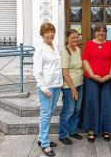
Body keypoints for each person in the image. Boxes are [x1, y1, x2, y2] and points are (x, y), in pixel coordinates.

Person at [82, 23, 111, 143]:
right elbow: (85, 60)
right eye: (98, 31)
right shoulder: (89, 44)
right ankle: (92, 129)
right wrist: (92, 75)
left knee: (107, 103)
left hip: (108, 79)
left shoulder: (110, 45)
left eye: (103, 31)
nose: (101, 33)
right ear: (94, 32)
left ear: (106, 32)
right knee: (92, 103)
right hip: (91, 79)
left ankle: (106, 129)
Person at [33, 22, 62, 157]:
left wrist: (60, 83)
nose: (50, 34)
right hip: (46, 87)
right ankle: (45, 143)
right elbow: (37, 71)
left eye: (52, 31)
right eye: (47, 31)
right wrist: (44, 88)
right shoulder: (40, 49)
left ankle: (41, 138)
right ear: (42, 34)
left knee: (49, 113)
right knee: (45, 115)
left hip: (56, 85)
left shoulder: (54, 46)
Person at [58, 29, 83, 145]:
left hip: (80, 84)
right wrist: (73, 89)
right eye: (72, 37)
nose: (75, 39)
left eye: (77, 37)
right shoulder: (64, 51)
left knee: (77, 110)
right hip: (69, 87)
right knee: (68, 111)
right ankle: (63, 135)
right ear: (67, 38)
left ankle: (72, 131)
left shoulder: (78, 50)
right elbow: (65, 72)